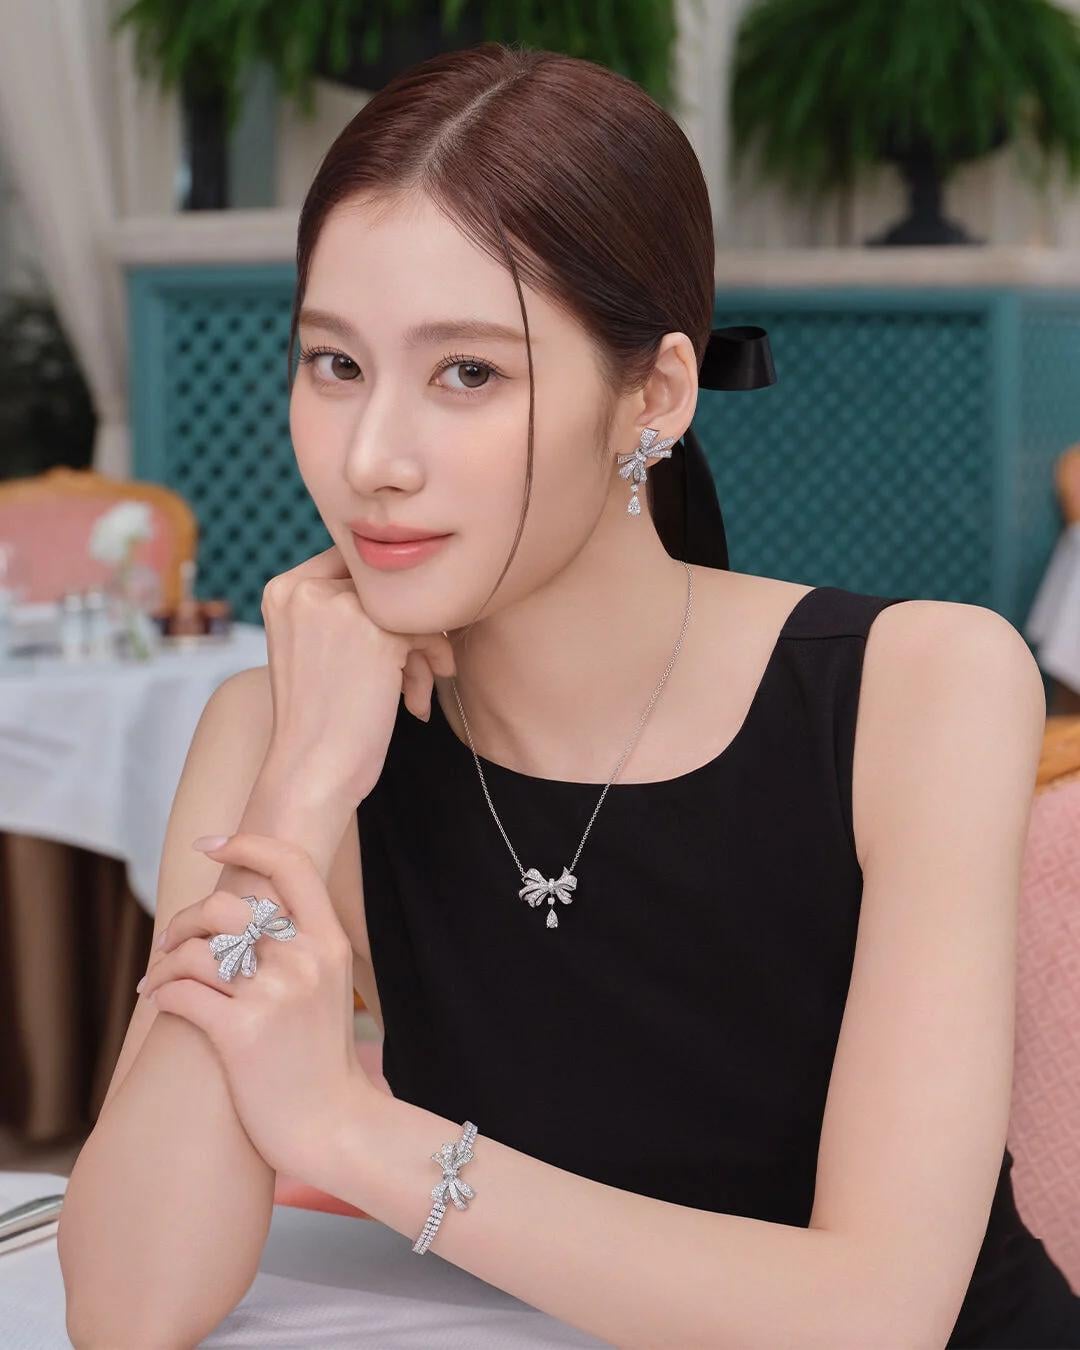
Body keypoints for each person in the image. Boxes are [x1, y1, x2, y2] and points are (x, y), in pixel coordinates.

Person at [60, 41, 1078, 1350]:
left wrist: (349, 1131)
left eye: (468, 373)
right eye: (335, 364)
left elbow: (874, 1315)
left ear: (652, 395)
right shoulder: (282, 731)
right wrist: (303, 786)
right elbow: (130, 1307)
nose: (372, 458)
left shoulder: (920, 686)